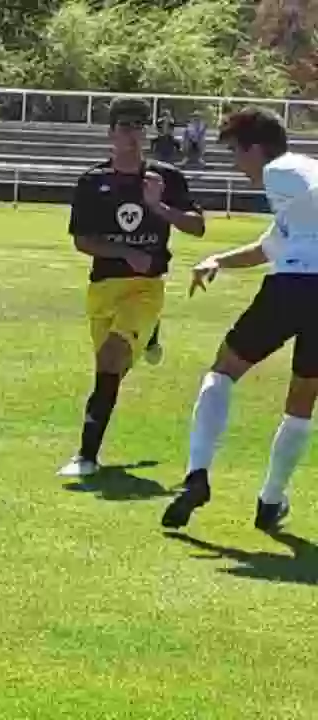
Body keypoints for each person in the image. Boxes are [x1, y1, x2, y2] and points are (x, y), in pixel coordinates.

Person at [161, 107, 318, 532]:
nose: (236, 165)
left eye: (236, 153)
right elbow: (270, 246)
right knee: (303, 397)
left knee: (224, 369)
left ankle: (197, 476)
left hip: (294, 288)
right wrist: (218, 260)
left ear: (257, 148)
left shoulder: (284, 169)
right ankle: (270, 500)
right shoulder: (294, 201)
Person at [57, 97, 205, 478]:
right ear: (110, 134)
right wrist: (124, 251)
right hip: (103, 289)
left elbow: (196, 226)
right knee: (111, 370)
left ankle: (85, 456)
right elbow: (82, 240)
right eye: (125, 127)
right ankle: (151, 335)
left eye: (139, 127)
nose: (133, 135)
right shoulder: (93, 181)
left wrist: (158, 206)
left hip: (146, 288)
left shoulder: (165, 177)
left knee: (110, 360)